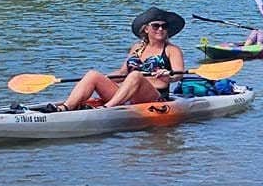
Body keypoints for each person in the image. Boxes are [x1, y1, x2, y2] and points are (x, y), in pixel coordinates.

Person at [56, 8, 187, 110]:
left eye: (164, 26)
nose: (160, 29)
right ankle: (66, 107)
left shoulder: (172, 50)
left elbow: (178, 75)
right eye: (156, 26)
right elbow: (123, 73)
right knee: (93, 75)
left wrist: (168, 76)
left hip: (154, 96)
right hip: (127, 94)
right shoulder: (137, 47)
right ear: (146, 29)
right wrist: (103, 79)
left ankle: (107, 108)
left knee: (135, 75)